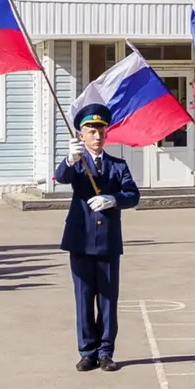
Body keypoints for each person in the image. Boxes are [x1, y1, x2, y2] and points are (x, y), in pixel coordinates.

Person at [55, 105, 142, 370]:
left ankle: (105, 351)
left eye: (100, 130)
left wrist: (112, 199)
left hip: (107, 241)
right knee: (83, 298)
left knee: (107, 298)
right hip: (80, 240)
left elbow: (133, 195)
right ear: (81, 135)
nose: (96, 136)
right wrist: (69, 159)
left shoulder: (118, 165)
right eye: (91, 131)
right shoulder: (77, 163)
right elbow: (61, 177)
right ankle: (87, 352)